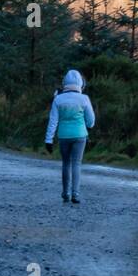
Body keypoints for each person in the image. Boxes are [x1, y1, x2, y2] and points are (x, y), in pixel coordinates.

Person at [44, 69, 96, 204]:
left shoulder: (58, 99)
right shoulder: (84, 98)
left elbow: (53, 120)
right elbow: (91, 121)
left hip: (63, 136)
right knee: (76, 164)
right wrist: (87, 126)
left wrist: (48, 140)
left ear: (64, 83)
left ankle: (65, 193)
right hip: (80, 135)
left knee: (66, 164)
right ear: (80, 83)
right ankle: (75, 194)